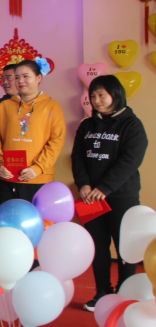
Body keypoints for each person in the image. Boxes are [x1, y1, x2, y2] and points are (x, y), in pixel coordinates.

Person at [71, 75, 148, 312]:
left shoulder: (132, 125)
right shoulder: (87, 125)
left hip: (121, 195)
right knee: (98, 245)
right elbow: (78, 157)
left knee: (125, 248)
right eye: (93, 96)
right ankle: (102, 291)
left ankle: (124, 292)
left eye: (101, 95)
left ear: (116, 94)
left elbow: (130, 160)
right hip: (90, 198)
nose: (96, 100)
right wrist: (83, 184)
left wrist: (104, 188)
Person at [0, 60, 66, 205]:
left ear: (38, 78)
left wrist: (37, 168)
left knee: (38, 220)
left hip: (38, 179)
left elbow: (56, 141)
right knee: (7, 219)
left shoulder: (52, 106)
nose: (20, 81)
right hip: (6, 179)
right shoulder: (4, 106)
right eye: (17, 77)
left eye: (26, 76)